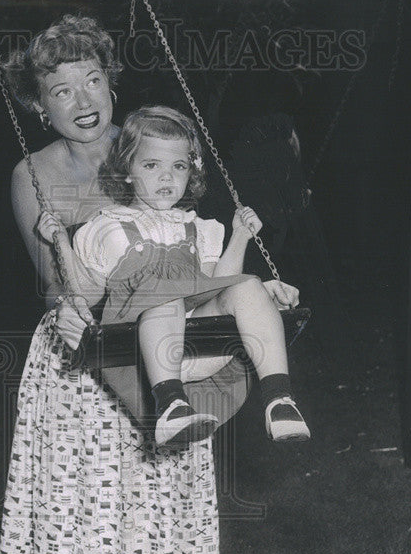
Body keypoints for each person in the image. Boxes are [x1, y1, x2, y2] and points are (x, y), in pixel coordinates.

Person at [0, 13, 301, 554]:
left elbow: (200, 261)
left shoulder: (153, 153)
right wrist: (72, 270)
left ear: (111, 82)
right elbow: (54, 285)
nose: (81, 98)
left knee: (146, 533)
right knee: (77, 531)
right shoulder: (30, 175)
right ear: (38, 105)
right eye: (59, 89)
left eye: (92, 78)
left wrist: (247, 283)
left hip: (162, 364)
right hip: (78, 370)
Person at [39, 105, 310, 448]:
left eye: (178, 166)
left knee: (248, 286)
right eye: (152, 165)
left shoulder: (201, 228)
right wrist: (62, 244)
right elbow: (88, 295)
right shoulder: (106, 227)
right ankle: (171, 406)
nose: (167, 177)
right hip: (145, 345)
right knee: (164, 295)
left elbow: (219, 285)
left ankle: (279, 399)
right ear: (126, 170)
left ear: (191, 172)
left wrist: (240, 235)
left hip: (203, 348)